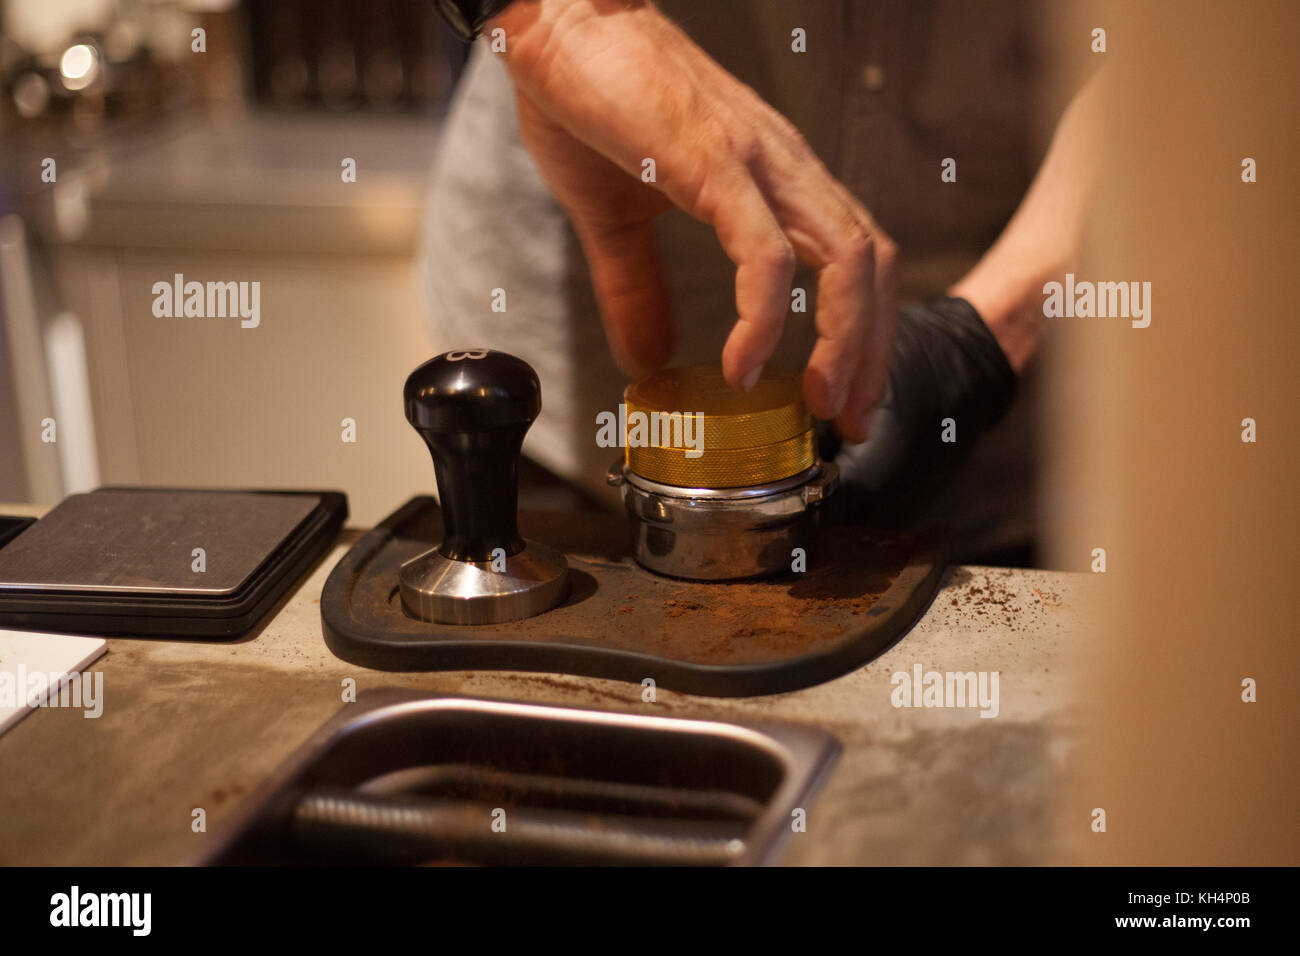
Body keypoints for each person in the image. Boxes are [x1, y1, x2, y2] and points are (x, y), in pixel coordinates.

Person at [421, 0, 1097, 561]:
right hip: (568, 381)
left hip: (999, 414)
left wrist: (990, 329)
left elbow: (1194, 51)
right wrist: (556, 18)